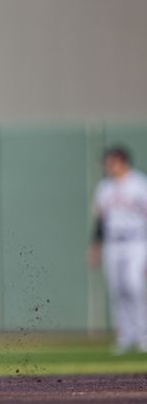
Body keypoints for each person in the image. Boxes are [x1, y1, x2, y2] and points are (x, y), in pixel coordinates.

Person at [87, 145, 147, 354]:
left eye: (110, 161)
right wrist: (95, 246)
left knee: (134, 286)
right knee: (116, 290)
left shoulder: (140, 184)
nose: (107, 165)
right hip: (112, 243)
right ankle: (125, 336)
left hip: (137, 242)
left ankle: (143, 335)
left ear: (122, 161)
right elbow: (101, 221)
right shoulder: (104, 187)